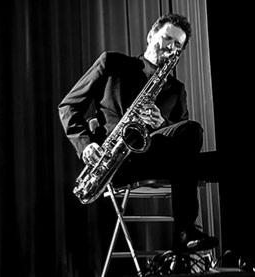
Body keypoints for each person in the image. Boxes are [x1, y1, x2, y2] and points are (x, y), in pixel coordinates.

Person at [58, 13, 218, 252]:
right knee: (195, 162)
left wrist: (161, 123)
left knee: (197, 136)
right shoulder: (112, 63)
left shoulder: (176, 89)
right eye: (167, 39)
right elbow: (69, 106)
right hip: (117, 162)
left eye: (177, 46)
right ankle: (184, 236)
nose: (170, 48)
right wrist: (85, 145)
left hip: (157, 159)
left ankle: (190, 238)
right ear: (151, 35)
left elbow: (185, 140)